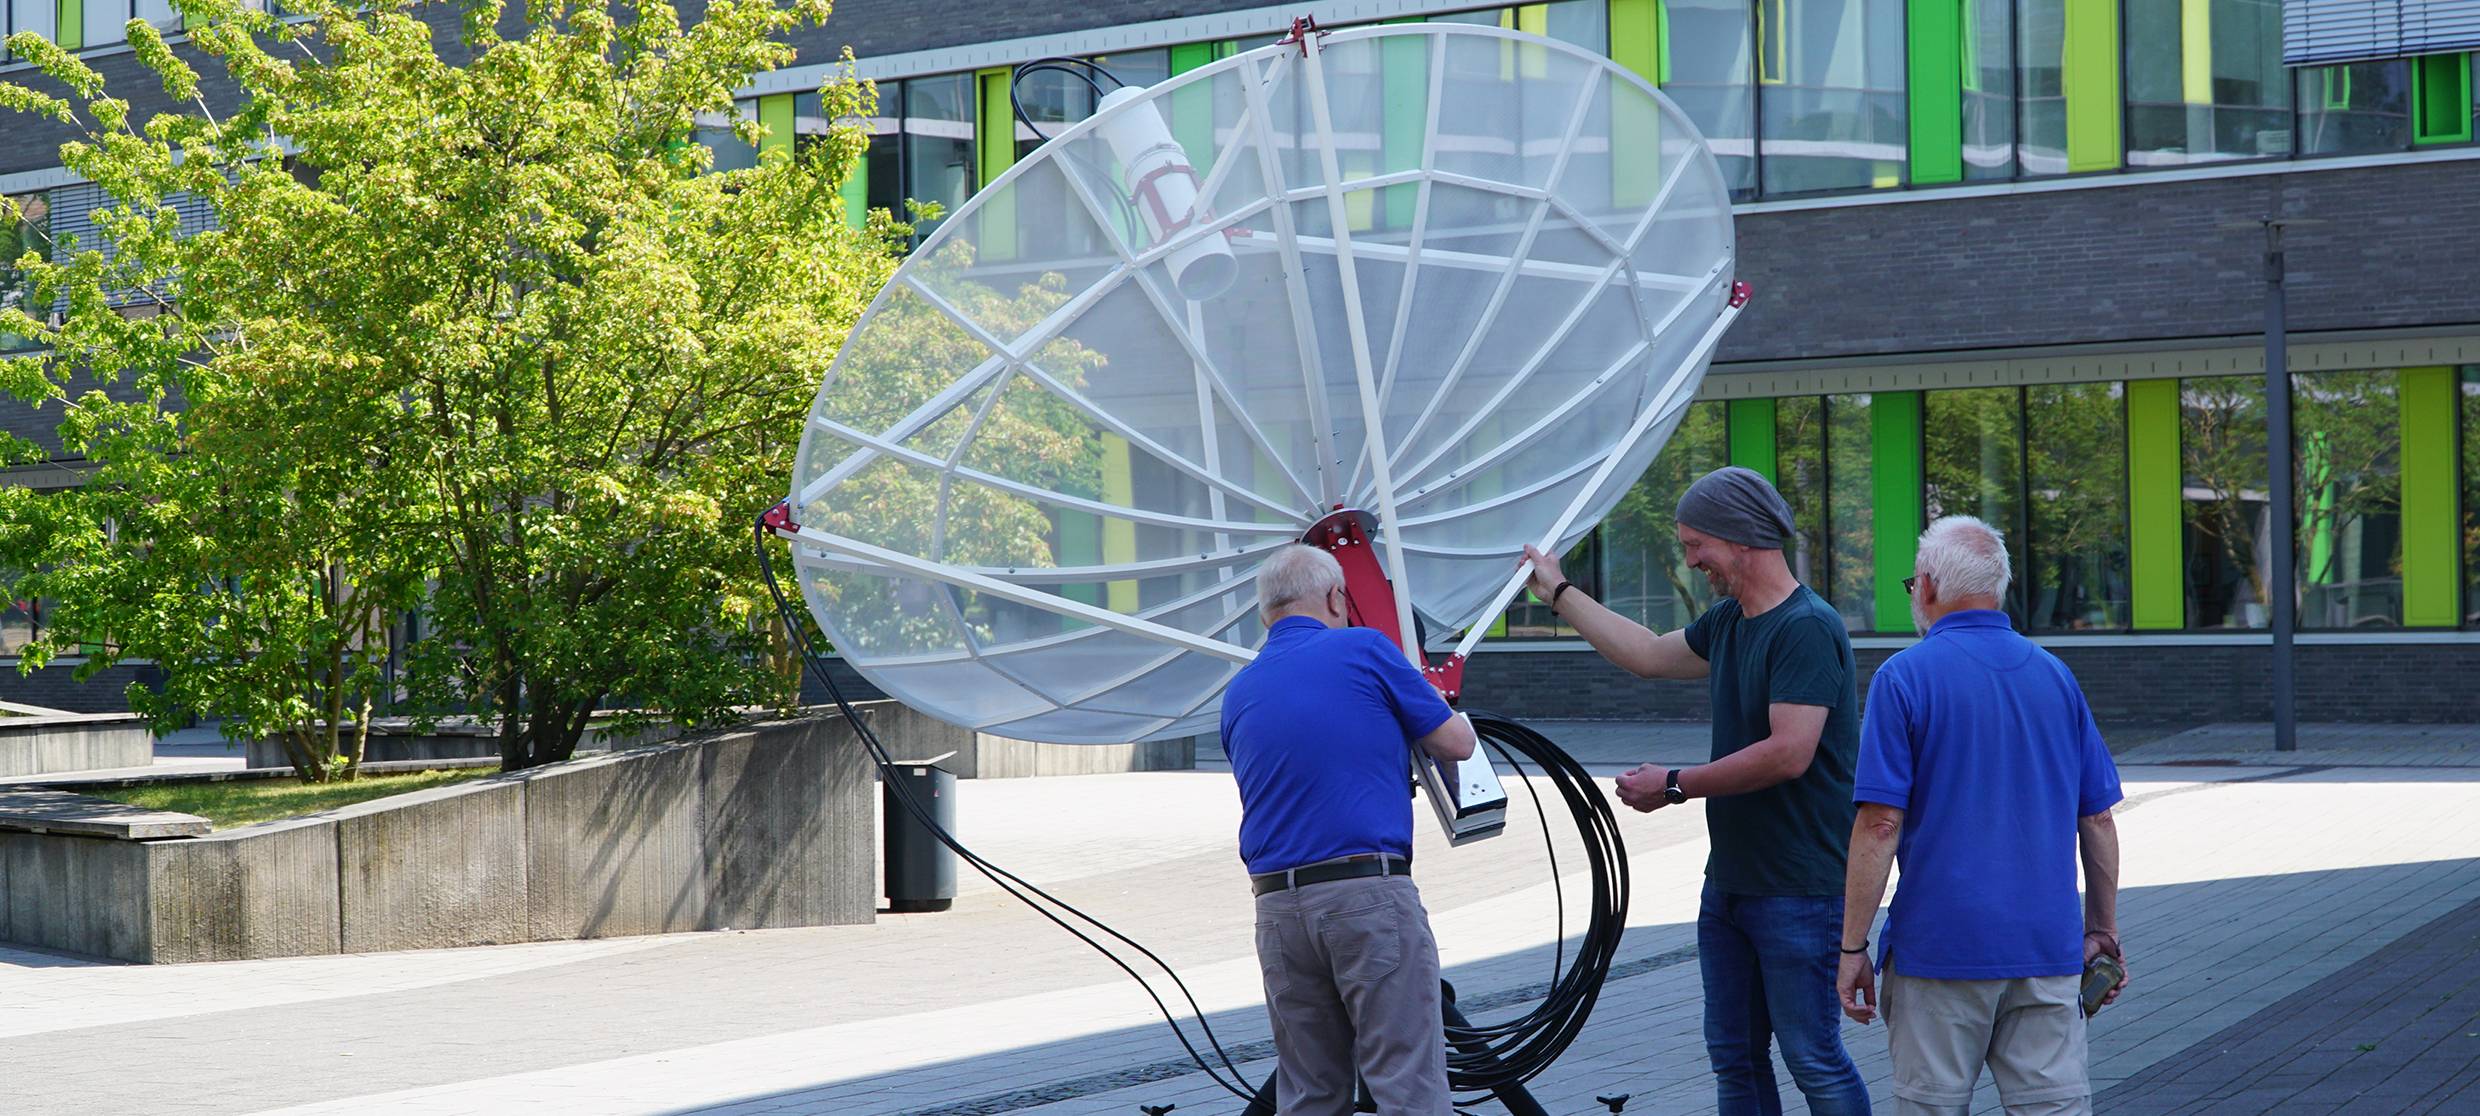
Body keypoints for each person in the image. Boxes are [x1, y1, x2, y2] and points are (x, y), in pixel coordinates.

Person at [1523, 465, 1870, 1115]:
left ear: (1740, 538)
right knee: (1734, 1060)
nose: (1691, 562)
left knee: (1813, 1060)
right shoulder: (1730, 621)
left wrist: (1675, 785)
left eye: (1695, 545)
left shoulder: (1806, 627)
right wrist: (1560, 592)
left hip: (1801, 889)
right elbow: (1650, 654)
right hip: (1733, 885)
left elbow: (1788, 753)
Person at [1835, 516, 2128, 1116]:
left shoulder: (1903, 678)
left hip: (1940, 952)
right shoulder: (2055, 676)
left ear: (1928, 586)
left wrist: (1851, 947)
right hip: (2046, 950)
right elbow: (2096, 819)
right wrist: (2101, 929)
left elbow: (1880, 824)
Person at [1220, 543, 1479, 1115]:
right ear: (1338, 597)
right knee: (1407, 1088)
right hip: (1367, 898)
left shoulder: (1239, 691)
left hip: (1278, 913)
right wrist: (1425, 703)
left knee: (1310, 1094)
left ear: (1267, 614)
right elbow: (1456, 743)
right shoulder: (1363, 648)